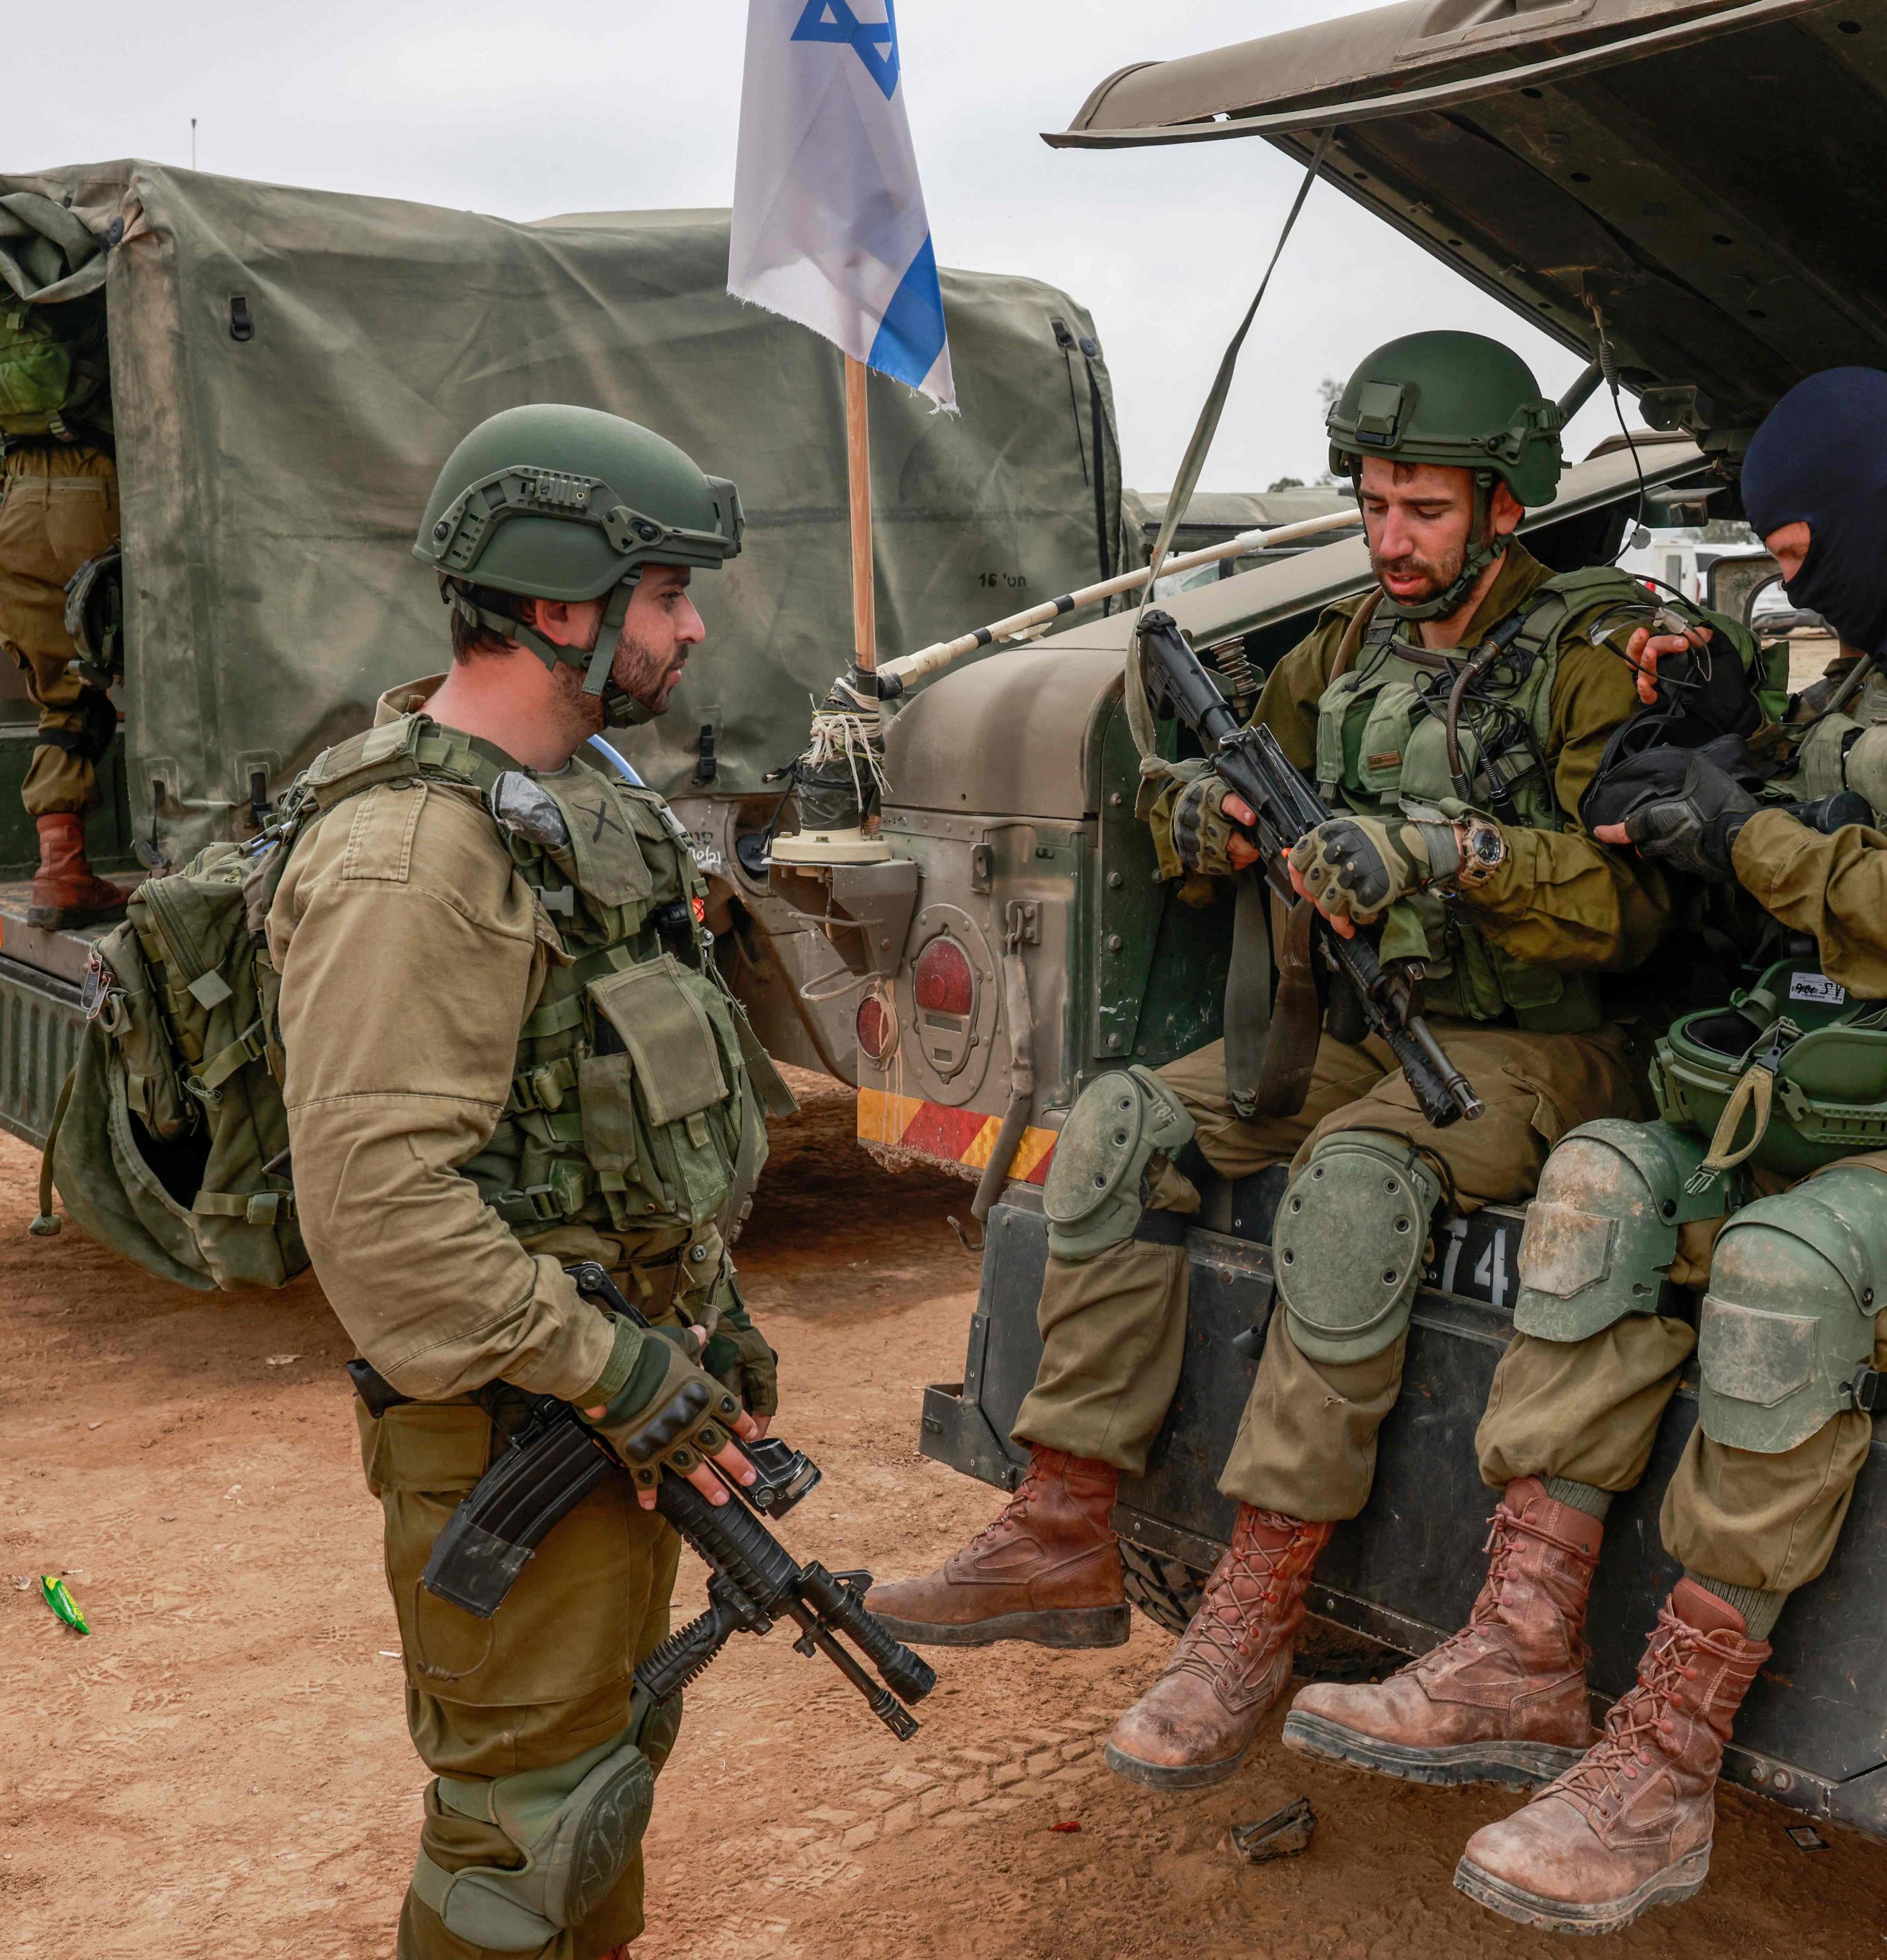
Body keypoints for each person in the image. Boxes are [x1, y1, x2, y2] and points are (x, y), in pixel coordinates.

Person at [1281, 367, 1887, 1933]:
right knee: (1596, 1181)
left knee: (1782, 1268)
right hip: (1815, 1078)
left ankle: (1666, 1763)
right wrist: (1717, 751)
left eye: (1806, 553)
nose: (1796, 585)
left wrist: (1741, 829)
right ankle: (1523, 1654)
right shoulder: (1859, 677)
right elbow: (1762, 859)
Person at [865, 330, 1738, 1792]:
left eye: (1425, 510)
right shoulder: (1343, 650)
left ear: (1506, 504)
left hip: (1557, 1042)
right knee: (1126, 1121)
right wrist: (1196, 822)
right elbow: (1204, 792)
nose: (1389, 540)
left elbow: (1643, 904)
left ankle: (1253, 1614)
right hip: (1356, 1021)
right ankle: (1066, 1519)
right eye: (1375, 502)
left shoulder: (1592, 661)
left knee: (1351, 1181)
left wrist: (1440, 856)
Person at [268, 403, 792, 1959]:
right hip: (513, 1429)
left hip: (608, 1409)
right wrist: (616, 1369)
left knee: (599, 1791)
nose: (692, 629)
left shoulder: (578, 810)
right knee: (525, 1839)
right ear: (560, 607)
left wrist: (705, 1325)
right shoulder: (411, 859)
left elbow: (645, 1122)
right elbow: (382, 1221)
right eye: (664, 595)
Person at [0, 281, 127, 924]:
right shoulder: (91, 303)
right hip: (99, 490)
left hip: (15, 500)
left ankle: (61, 867)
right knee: (163, 661)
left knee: (65, 694)